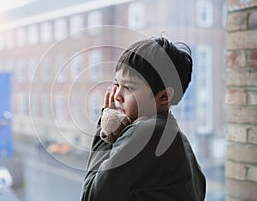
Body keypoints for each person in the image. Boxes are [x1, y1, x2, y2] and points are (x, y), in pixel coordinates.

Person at [80, 37, 206, 201]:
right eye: (116, 84)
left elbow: (91, 196)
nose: (117, 95)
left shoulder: (148, 132)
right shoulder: (176, 136)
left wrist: (106, 130)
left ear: (164, 96)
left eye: (129, 87)